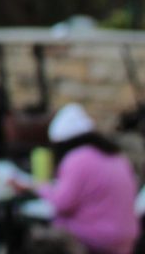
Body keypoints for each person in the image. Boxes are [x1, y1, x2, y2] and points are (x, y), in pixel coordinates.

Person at [34, 103, 139, 254]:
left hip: (98, 239)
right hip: (126, 237)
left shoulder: (77, 159)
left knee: (43, 236)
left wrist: (40, 186)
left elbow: (61, 204)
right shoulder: (115, 155)